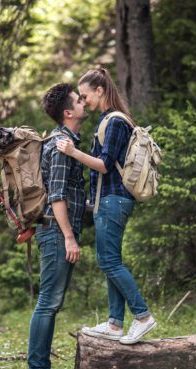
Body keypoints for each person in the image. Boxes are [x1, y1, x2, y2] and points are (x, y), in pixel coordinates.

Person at [56, 67, 157, 345]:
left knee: (109, 260)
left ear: (99, 91)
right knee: (109, 259)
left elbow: (103, 164)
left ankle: (143, 316)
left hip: (115, 200)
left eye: (85, 96)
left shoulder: (113, 121)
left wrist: (73, 152)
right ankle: (114, 324)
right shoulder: (107, 120)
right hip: (107, 200)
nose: (83, 101)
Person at [26, 83, 87, 369]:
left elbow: (67, 193)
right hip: (54, 231)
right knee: (48, 302)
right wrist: (69, 237)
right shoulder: (61, 145)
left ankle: (40, 368)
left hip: (55, 230)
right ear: (68, 112)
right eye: (79, 100)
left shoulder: (67, 142)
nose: (84, 102)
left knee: (51, 301)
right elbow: (58, 196)